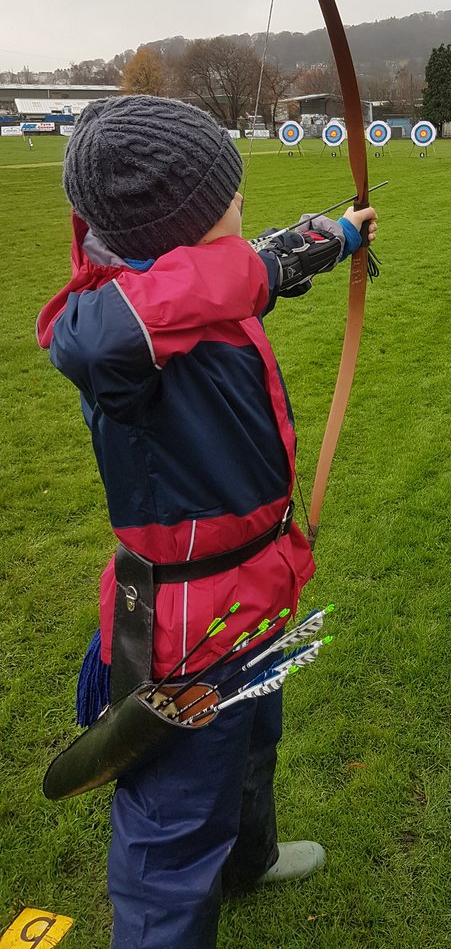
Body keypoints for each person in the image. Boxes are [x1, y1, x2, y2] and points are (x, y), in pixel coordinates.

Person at [35, 94, 378, 948]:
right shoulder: (112, 326)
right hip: (188, 623)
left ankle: (247, 862)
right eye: (229, 197)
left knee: (254, 743)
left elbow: (211, 293)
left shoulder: (186, 300)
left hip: (255, 586)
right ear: (182, 234)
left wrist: (325, 241)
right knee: (174, 822)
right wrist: (264, 264)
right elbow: (94, 336)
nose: (242, 205)